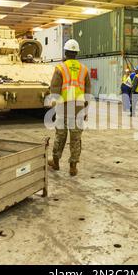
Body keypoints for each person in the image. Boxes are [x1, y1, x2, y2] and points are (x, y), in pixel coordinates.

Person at [48, 39, 91, 176]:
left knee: (60, 136)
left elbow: (54, 90)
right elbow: (88, 91)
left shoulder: (60, 68)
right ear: (76, 53)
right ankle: (73, 166)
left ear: (65, 52)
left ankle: (56, 162)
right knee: (76, 137)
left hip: (63, 108)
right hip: (78, 108)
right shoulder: (84, 69)